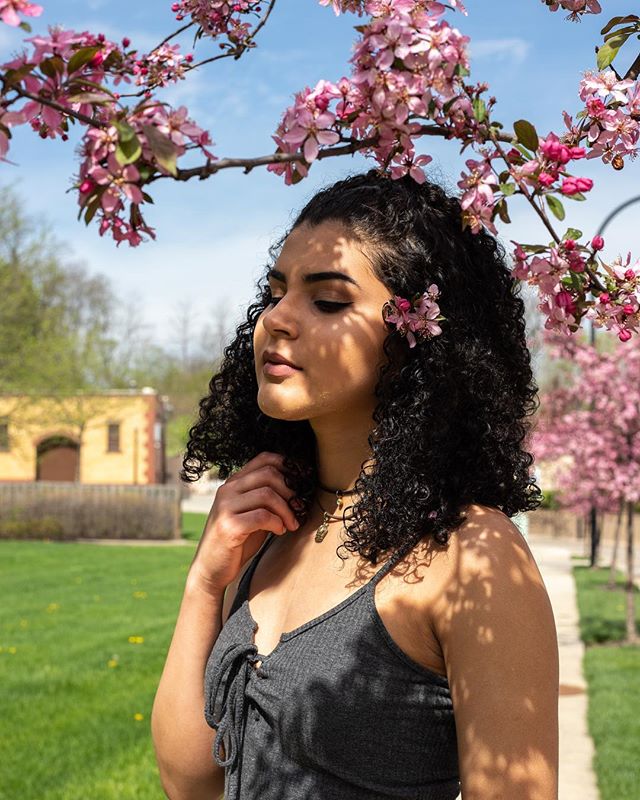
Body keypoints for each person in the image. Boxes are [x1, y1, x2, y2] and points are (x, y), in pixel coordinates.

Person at [151, 169, 559, 800]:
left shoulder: (472, 553)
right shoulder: (265, 520)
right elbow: (190, 782)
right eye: (275, 292)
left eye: (328, 301)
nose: (276, 320)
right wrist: (204, 584)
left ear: (421, 338)